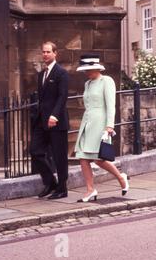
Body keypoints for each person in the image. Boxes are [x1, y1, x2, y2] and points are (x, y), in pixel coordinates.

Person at [74, 54, 129, 203]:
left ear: (96, 68)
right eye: (85, 70)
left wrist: (109, 125)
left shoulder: (107, 81)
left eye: (88, 69)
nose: (86, 72)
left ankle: (120, 177)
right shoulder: (87, 84)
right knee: (83, 156)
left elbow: (111, 105)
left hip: (100, 123)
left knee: (98, 159)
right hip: (87, 122)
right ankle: (90, 190)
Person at [30, 42, 69, 200]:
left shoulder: (61, 73)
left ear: (55, 53)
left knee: (59, 156)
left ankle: (62, 188)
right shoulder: (41, 74)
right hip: (42, 121)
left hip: (56, 121)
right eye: (43, 52)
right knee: (35, 151)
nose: (45, 54)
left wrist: (55, 115)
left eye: (48, 52)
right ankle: (50, 182)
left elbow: (62, 96)